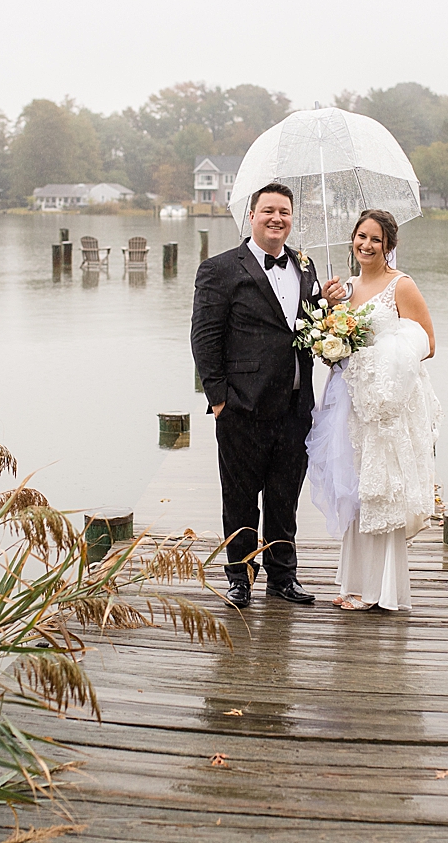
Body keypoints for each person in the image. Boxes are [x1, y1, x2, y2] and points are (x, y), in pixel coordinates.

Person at [190, 182, 343, 609]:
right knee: (239, 499)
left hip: (295, 407)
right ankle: (239, 578)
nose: (278, 219)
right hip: (242, 407)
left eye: (285, 212)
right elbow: (204, 338)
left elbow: (305, 326)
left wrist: (325, 305)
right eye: (269, 211)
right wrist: (219, 399)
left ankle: (282, 577)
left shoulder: (305, 266)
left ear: (292, 219)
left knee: (284, 498)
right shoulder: (220, 269)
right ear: (252, 216)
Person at [305, 209, 440, 611]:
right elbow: (333, 354)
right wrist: (329, 320)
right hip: (347, 403)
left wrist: (378, 358)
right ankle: (354, 585)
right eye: (361, 237)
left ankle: (381, 590)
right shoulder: (343, 289)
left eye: (376, 240)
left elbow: (427, 343)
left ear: (389, 246)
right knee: (353, 488)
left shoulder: (402, 286)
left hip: (384, 404)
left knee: (380, 490)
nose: (366, 245)